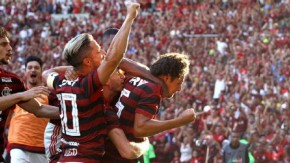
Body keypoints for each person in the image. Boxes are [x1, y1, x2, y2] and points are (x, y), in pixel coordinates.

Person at [43, 2, 141, 162]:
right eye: (98, 51)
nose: (102, 52)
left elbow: (46, 73)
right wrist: (130, 17)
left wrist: (73, 68)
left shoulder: (61, 83)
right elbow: (113, 58)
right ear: (88, 62)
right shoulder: (87, 87)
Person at [102, 52, 197, 163]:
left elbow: (119, 61)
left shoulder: (133, 78)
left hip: (106, 151)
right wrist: (179, 121)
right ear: (166, 78)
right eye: (178, 83)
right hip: (117, 158)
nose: (179, 88)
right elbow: (140, 128)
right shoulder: (153, 90)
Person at [0, 26, 58, 162]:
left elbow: (39, 109)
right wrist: (21, 96)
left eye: (9, 44)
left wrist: (72, 111)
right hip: (18, 147)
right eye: (3, 44)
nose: (10, 49)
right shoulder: (22, 93)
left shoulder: (12, 81)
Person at [8, 56, 49, 163]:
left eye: (36, 67)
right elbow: (6, 117)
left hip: (42, 147)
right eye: (29, 67)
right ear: (25, 72)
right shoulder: (16, 95)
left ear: (41, 72)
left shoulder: (49, 94)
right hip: (18, 144)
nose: (33, 70)